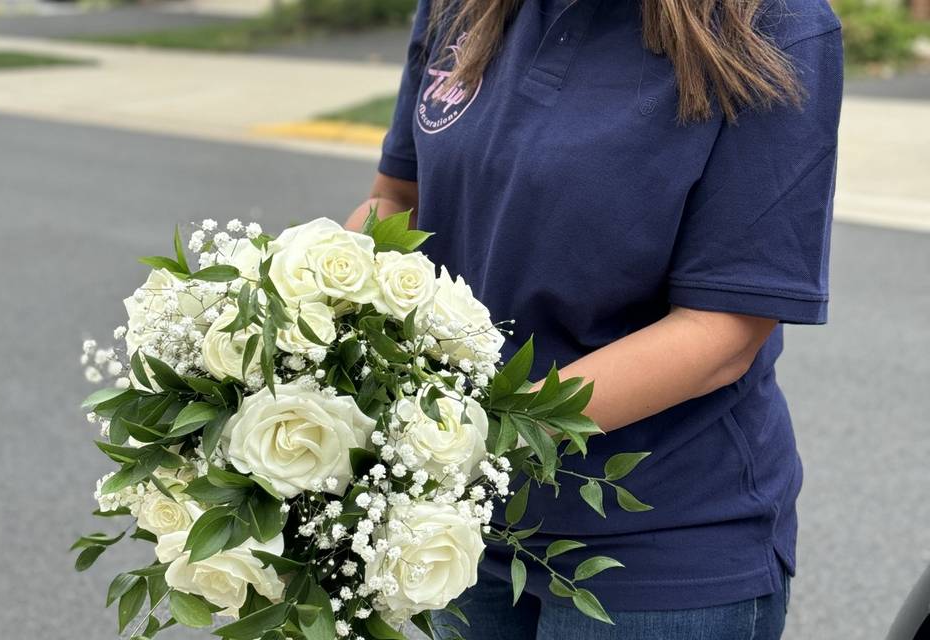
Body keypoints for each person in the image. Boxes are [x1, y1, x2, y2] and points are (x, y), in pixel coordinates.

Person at [345, 0, 843, 637]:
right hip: (462, 525)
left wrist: (469, 436)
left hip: (659, 547)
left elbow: (720, 334)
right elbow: (399, 200)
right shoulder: (458, 7)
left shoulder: (776, 24)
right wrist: (308, 316)